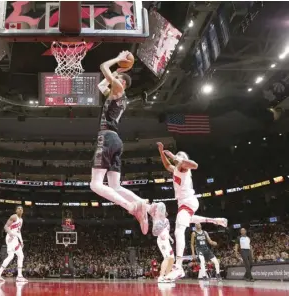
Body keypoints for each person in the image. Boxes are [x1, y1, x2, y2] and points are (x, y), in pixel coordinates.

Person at [90, 51, 149, 234]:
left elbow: (102, 67)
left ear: (122, 83)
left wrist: (118, 60)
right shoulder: (119, 97)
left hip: (107, 137)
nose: (114, 78)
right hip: (116, 140)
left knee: (95, 184)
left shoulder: (119, 90)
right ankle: (142, 204)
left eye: (117, 78)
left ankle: (130, 206)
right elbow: (101, 84)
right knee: (115, 185)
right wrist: (118, 71)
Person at [157, 142, 228, 280]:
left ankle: (178, 266)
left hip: (188, 201)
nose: (176, 159)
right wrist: (161, 152)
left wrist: (175, 157)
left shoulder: (184, 169)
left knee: (179, 230)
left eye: (179, 158)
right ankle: (214, 220)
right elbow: (167, 165)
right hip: (184, 203)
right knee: (188, 220)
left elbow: (194, 165)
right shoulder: (176, 169)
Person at [0, 206, 28, 282]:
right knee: (20, 255)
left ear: (23, 211)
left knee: (11, 256)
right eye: (18, 208)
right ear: (16, 210)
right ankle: (19, 276)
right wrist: (11, 234)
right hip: (11, 237)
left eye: (21, 208)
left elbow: (18, 232)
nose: (20, 209)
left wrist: (21, 241)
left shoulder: (21, 220)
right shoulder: (14, 216)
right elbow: (6, 227)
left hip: (15, 238)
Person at [148, 202, 175, 283]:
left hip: (167, 240)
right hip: (161, 240)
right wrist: (154, 206)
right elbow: (156, 230)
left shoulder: (167, 220)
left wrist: (170, 238)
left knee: (172, 258)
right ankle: (161, 277)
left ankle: (167, 276)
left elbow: (167, 231)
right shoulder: (156, 219)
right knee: (166, 258)